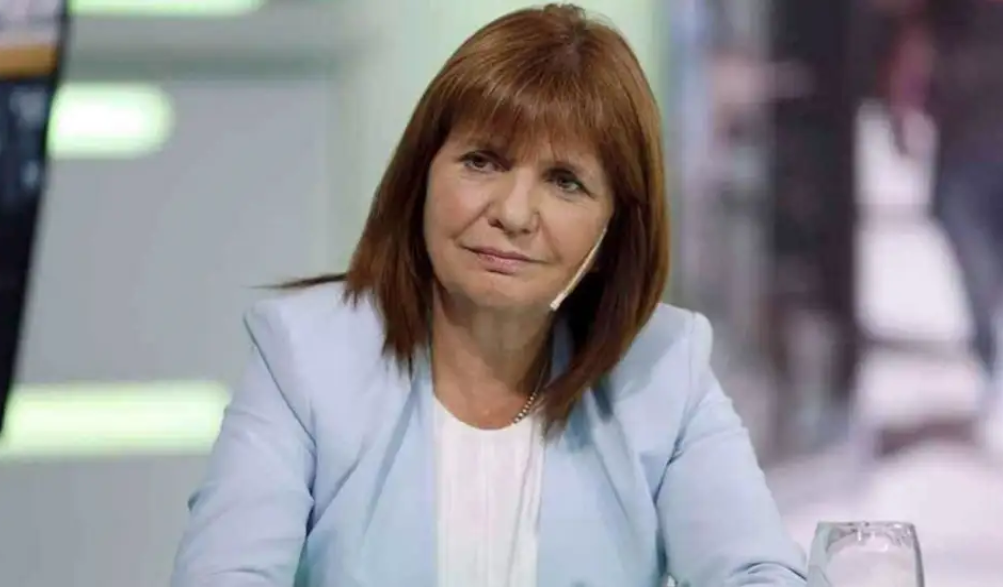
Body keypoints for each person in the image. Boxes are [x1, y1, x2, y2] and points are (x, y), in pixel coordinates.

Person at [171, 4, 806, 586]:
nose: (514, 213)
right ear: (422, 172)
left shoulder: (664, 369)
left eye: (565, 181)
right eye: (483, 161)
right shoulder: (306, 354)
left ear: (614, 226)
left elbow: (762, 575)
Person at [878, 0, 1003, 450]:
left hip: (969, 156)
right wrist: (900, 114)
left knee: (983, 277)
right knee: (979, 279)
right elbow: (915, 52)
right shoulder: (946, 14)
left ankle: (993, 373)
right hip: (962, 157)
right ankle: (992, 372)